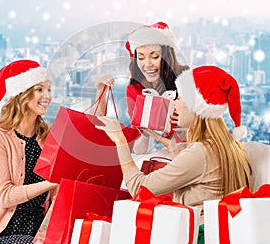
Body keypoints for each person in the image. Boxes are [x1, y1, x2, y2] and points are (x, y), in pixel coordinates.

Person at [95, 65, 252, 243]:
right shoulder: (229, 147)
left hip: (194, 235)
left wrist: (120, 141)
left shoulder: (200, 152)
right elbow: (199, 177)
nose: (174, 103)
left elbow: (139, 188)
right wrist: (171, 147)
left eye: (179, 98)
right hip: (214, 233)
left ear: (196, 107)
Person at [0, 60, 58, 244]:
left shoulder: (47, 137)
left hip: (37, 231)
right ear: (22, 95)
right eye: (39, 90)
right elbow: (5, 196)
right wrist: (51, 182)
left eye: (49, 89)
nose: (47, 96)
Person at [95, 22, 190, 155]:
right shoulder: (135, 89)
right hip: (165, 158)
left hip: (191, 155)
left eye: (155, 56)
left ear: (167, 57)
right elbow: (139, 150)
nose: (147, 64)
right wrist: (145, 135)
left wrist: (184, 127)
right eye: (141, 57)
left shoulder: (186, 80)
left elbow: (207, 134)